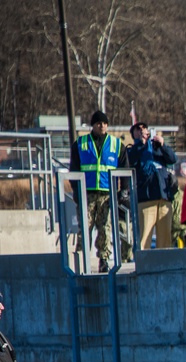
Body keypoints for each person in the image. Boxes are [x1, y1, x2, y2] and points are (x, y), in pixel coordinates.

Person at [69, 111, 131, 271]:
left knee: (105, 226)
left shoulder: (116, 145)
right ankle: (81, 259)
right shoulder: (81, 144)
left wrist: (123, 190)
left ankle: (103, 259)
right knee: (85, 226)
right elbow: (74, 169)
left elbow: (124, 169)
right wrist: (76, 190)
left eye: (104, 123)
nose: (102, 126)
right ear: (93, 125)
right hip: (86, 193)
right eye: (98, 123)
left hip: (107, 193)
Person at [126, 122, 177, 250]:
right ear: (134, 134)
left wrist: (163, 145)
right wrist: (141, 145)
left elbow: (172, 159)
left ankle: (164, 267)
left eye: (145, 129)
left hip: (164, 197)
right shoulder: (133, 149)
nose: (143, 131)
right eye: (138, 130)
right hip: (146, 199)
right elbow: (129, 160)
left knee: (165, 240)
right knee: (144, 238)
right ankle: (144, 266)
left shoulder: (157, 148)